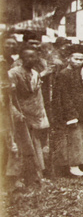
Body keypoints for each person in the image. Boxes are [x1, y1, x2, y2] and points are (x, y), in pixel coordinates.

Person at [8, 46, 50, 186]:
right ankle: (16, 178)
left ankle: (35, 174)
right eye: (27, 57)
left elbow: (37, 96)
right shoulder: (13, 73)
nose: (31, 60)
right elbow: (10, 97)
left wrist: (39, 113)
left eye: (34, 57)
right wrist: (16, 112)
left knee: (34, 145)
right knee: (20, 147)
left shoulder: (35, 73)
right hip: (19, 114)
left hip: (33, 114)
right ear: (21, 58)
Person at [51, 44, 83, 176]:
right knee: (73, 139)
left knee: (81, 138)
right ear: (69, 59)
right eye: (76, 59)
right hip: (71, 111)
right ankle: (72, 165)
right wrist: (70, 115)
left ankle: (82, 162)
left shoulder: (77, 73)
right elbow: (64, 96)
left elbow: (81, 92)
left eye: (81, 60)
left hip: (81, 109)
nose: (79, 62)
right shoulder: (64, 74)